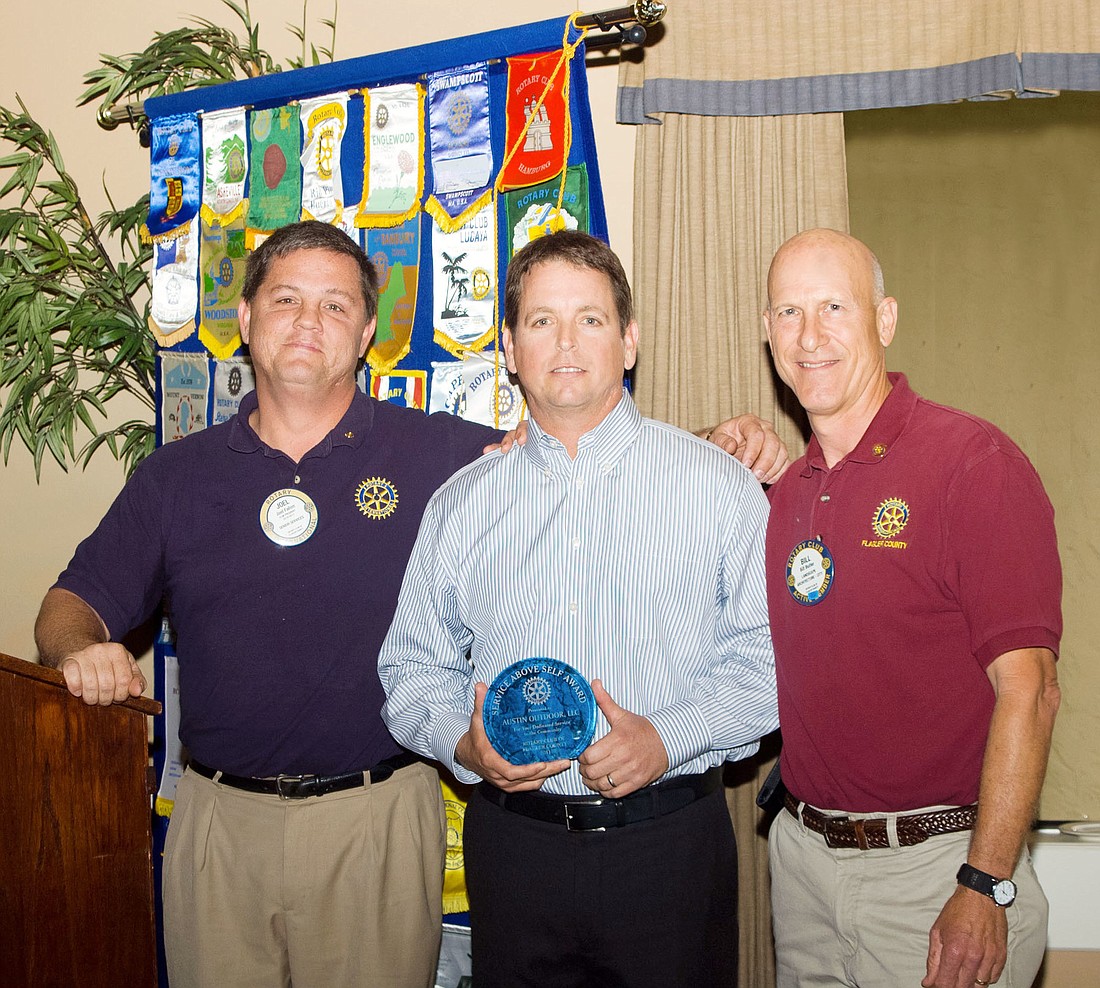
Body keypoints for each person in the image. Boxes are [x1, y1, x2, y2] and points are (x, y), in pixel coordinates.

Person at [34, 221, 787, 988]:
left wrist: (717, 448)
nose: (307, 322)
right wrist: (76, 649)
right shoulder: (178, 478)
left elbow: (582, 443)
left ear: (366, 332)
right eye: (286, 299)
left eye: (334, 305)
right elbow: (72, 604)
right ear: (246, 319)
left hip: (393, 824)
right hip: (231, 825)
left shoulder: (436, 454)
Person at [378, 229, 778, 987]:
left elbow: (770, 665)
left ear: (629, 341)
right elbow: (410, 669)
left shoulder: (718, 488)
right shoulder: (461, 506)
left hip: (670, 850)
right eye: (541, 321)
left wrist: (667, 738)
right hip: (515, 852)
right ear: (508, 347)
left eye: (590, 319)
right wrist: (464, 747)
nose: (565, 341)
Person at [761, 229, 1062, 988]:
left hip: (939, 875)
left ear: (884, 319)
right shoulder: (782, 492)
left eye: (835, 306)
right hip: (803, 873)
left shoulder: (972, 464)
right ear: (768, 335)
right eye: (789, 313)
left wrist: (985, 881)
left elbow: (1030, 688)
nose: (811, 335)